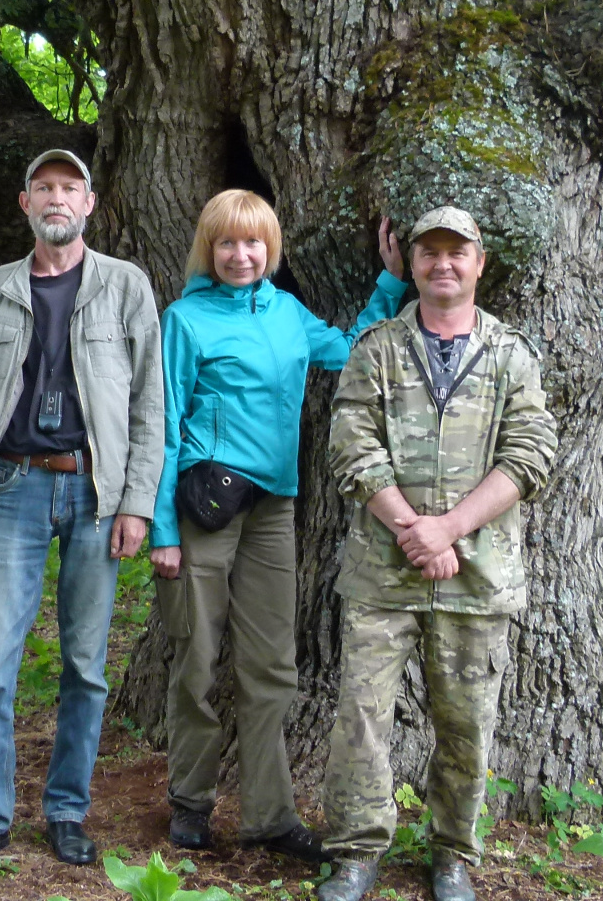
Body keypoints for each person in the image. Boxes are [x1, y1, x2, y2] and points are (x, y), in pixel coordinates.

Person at [150, 191, 407, 861]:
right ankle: (190, 803)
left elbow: (353, 351)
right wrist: (162, 531)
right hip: (202, 507)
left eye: (254, 243)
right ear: (210, 249)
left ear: (271, 249)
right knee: (198, 659)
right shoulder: (185, 319)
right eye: (229, 243)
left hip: (273, 507)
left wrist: (392, 281)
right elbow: (163, 426)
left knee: (271, 666)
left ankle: (269, 816)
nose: (242, 255)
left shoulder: (287, 312)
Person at [318, 207, 559, 901]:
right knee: (361, 716)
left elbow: (532, 454)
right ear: (414, 262)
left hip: (477, 576)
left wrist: (448, 529)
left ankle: (453, 852)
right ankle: (356, 852)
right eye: (430, 253)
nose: (443, 264)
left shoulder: (512, 355)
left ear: (479, 263)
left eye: (458, 253)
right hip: (380, 573)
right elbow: (351, 445)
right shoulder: (378, 347)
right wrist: (408, 529)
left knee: (466, 722)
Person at [0, 149, 164, 869]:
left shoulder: (126, 288)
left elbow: (149, 405)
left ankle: (67, 811)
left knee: (86, 666)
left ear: (89, 205)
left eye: (70, 188)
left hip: (97, 493)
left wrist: (137, 502)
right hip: (9, 487)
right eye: (45, 188)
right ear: (25, 203)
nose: (57, 198)